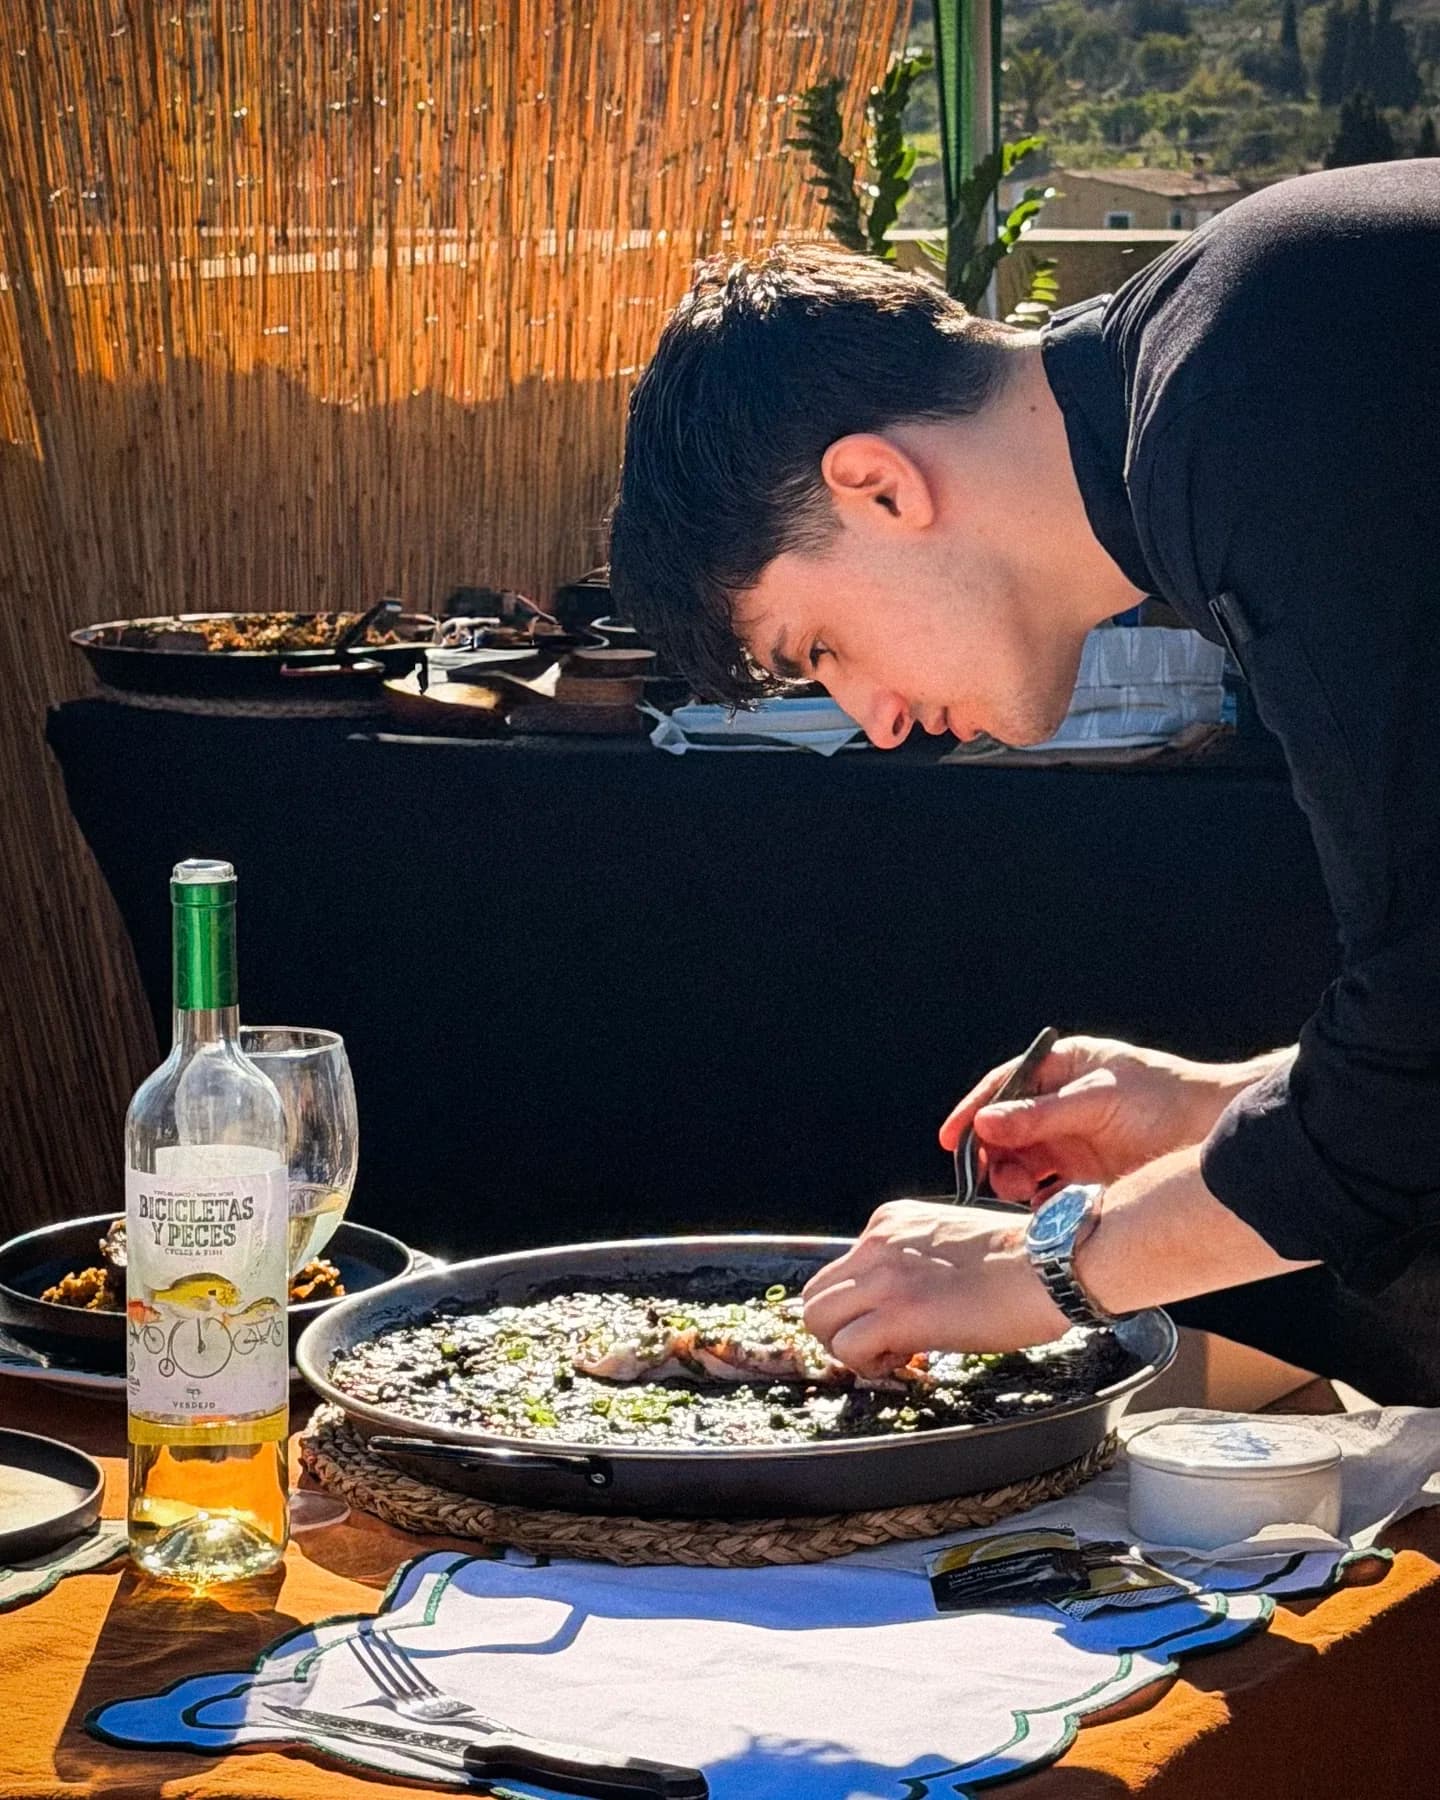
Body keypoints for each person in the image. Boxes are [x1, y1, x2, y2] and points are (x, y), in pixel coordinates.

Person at [608, 161, 1440, 1399]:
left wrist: (1042, 1265)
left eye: (819, 650)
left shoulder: (1247, 407)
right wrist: (1216, 1105)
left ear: (879, 486)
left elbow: (1420, 1059)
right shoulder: (1228, 351)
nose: (877, 722)